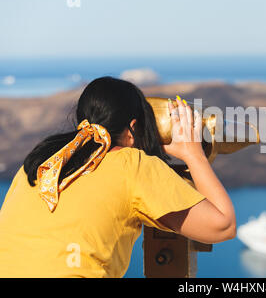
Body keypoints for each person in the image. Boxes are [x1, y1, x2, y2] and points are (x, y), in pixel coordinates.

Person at [0, 76, 236, 277]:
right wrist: (193, 154)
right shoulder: (131, 166)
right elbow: (223, 226)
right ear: (133, 129)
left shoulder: (39, 163)